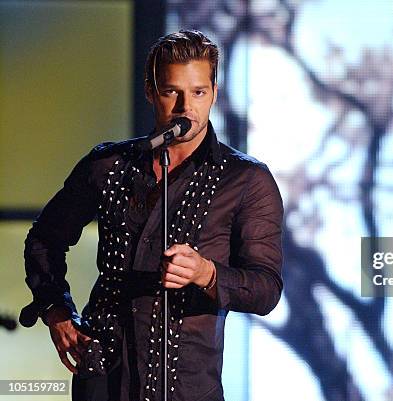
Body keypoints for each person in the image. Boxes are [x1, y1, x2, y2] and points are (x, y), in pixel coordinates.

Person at [19, 30, 283, 401]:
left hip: (187, 386)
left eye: (198, 92)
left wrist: (206, 273)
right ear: (150, 91)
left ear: (214, 94)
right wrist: (55, 310)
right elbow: (45, 240)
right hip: (104, 378)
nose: (184, 108)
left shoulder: (245, 179)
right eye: (171, 91)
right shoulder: (109, 165)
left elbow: (266, 288)